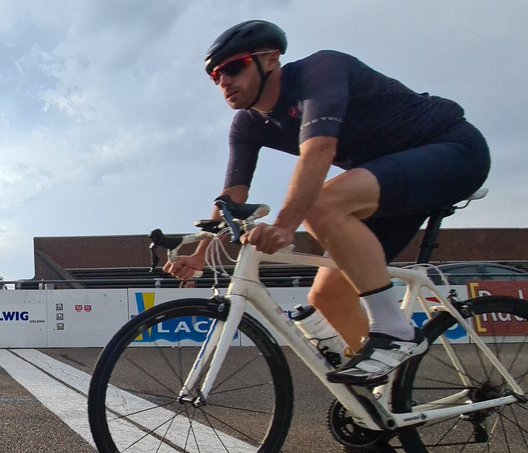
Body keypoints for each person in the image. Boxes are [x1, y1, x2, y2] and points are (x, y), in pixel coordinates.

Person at [166, 20, 489, 385]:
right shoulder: (247, 124)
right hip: (388, 183)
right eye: (214, 77)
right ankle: (387, 406)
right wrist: (201, 254)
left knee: (320, 205)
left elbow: (318, 150)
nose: (223, 81)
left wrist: (285, 224)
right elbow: (233, 195)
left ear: (270, 59)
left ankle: (396, 332)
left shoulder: (321, 71)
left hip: (452, 151)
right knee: (327, 299)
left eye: (232, 67)